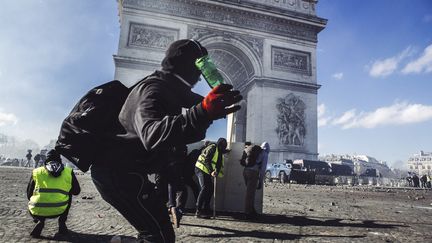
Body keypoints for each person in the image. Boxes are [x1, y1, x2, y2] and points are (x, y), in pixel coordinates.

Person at [90, 39, 242, 242]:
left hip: (127, 171)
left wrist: (206, 111)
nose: (202, 74)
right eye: (200, 65)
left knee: (160, 235)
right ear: (189, 66)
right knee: (159, 238)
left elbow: (185, 123)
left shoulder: (169, 88)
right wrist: (203, 111)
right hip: (116, 174)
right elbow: (152, 135)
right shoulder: (153, 90)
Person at [27, 149, 81, 237]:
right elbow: (76, 191)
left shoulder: (37, 171)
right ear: (59, 159)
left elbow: (29, 194)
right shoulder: (68, 172)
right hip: (60, 209)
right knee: (68, 194)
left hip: (38, 209)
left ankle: (40, 220)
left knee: (34, 195)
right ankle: (62, 222)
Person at [194, 138, 228, 218]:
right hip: (201, 168)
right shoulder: (213, 147)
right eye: (223, 146)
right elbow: (207, 160)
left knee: (210, 188)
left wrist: (214, 172)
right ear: (219, 145)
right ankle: (198, 210)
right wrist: (211, 171)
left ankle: (206, 208)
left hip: (207, 171)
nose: (223, 148)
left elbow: (218, 163)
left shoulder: (219, 152)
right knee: (205, 188)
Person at [240, 142, 270, 219]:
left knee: (250, 192)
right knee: (250, 194)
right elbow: (263, 169)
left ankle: (251, 210)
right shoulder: (265, 154)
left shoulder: (255, 151)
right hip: (253, 173)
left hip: (245, 171)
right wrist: (260, 181)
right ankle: (247, 213)